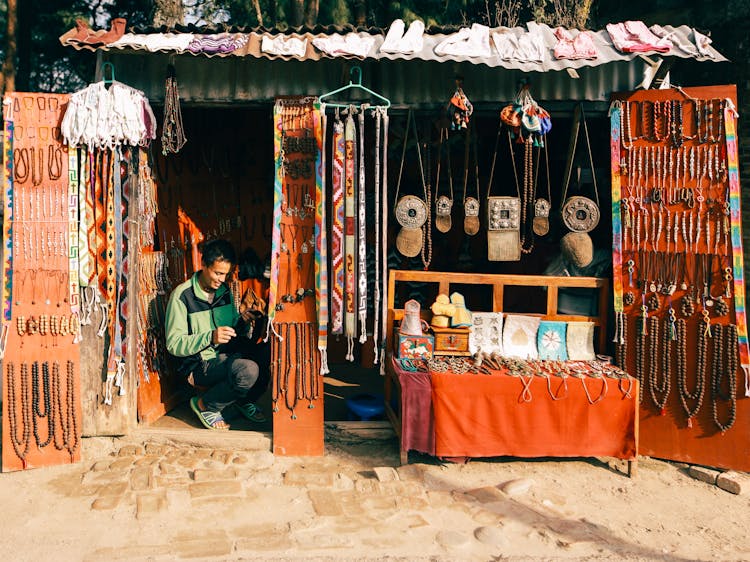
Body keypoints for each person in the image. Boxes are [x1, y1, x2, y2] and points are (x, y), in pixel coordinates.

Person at [165, 239, 267, 430]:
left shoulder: (224, 291)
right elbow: (173, 344)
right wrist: (209, 337)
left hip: (226, 355)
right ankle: (207, 405)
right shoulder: (182, 296)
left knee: (267, 353)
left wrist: (242, 321)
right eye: (218, 273)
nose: (221, 279)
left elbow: (231, 331)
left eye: (225, 274)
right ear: (203, 265)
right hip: (200, 365)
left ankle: (242, 399)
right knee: (247, 370)